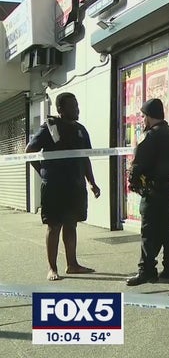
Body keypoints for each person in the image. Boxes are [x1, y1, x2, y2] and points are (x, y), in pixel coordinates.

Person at [26, 92, 101, 281]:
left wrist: (92, 182)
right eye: (72, 106)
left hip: (75, 186)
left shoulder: (81, 130)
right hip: (54, 187)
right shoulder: (50, 128)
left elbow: (85, 158)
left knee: (71, 225)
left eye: (77, 105)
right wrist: (43, 172)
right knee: (54, 226)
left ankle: (72, 265)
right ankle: (52, 268)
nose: (77, 109)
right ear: (60, 109)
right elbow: (29, 151)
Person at [126, 99, 169, 286]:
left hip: (153, 191)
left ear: (150, 117)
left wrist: (132, 182)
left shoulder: (149, 136)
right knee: (167, 229)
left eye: (143, 116)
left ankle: (147, 271)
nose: (142, 120)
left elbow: (138, 163)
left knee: (149, 232)